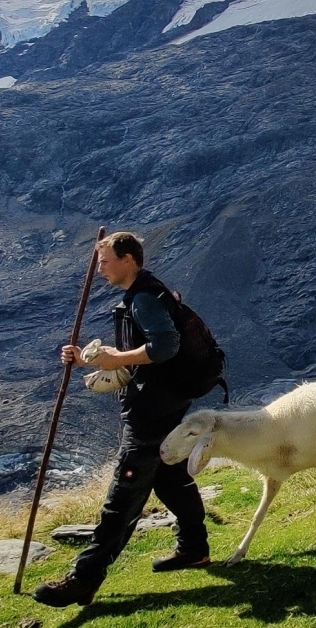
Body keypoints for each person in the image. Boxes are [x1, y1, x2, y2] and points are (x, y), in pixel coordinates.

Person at [33, 231, 210, 608]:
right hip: (169, 401)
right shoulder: (149, 292)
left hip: (151, 411)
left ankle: (84, 578)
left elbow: (166, 346)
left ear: (128, 259)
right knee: (169, 477)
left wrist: (117, 359)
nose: (100, 269)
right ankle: (194, 548)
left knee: (124, 493)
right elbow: (139, 353)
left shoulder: (143, 298)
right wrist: (89, 360)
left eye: (105, 261)